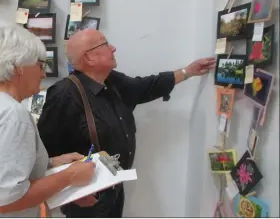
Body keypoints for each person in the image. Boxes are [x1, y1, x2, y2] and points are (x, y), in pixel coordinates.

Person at [37, 29, 216, 217]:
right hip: (86, 196)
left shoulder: (113, 81)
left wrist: (188, 71)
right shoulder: (64, 94)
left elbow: (148, 86)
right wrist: (72, 193)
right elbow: (46, 151)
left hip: (114, 186)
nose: (113, 48)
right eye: (105, 44)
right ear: (89, 58)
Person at [0, 26, 96, 217]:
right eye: (40, 65)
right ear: (19, 67)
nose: (43, 74)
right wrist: (70, 176)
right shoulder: (13, 116)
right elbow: (7, 200)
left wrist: (50, 163)